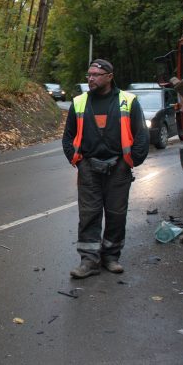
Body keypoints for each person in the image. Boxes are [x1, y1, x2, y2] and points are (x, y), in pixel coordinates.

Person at [61, 59, 149, 278]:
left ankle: (111, 257)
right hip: (89, 167)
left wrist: (131, 161)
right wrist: (77, 160)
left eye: (96, 75)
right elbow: (68, 136)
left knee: (116, 214)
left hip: (119, 167)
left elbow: (141, 134)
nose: (90, 78)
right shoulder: (79, 102)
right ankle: (89, 261)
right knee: (89, 214)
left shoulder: (128, 101)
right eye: (88, 75)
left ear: (109, 77)